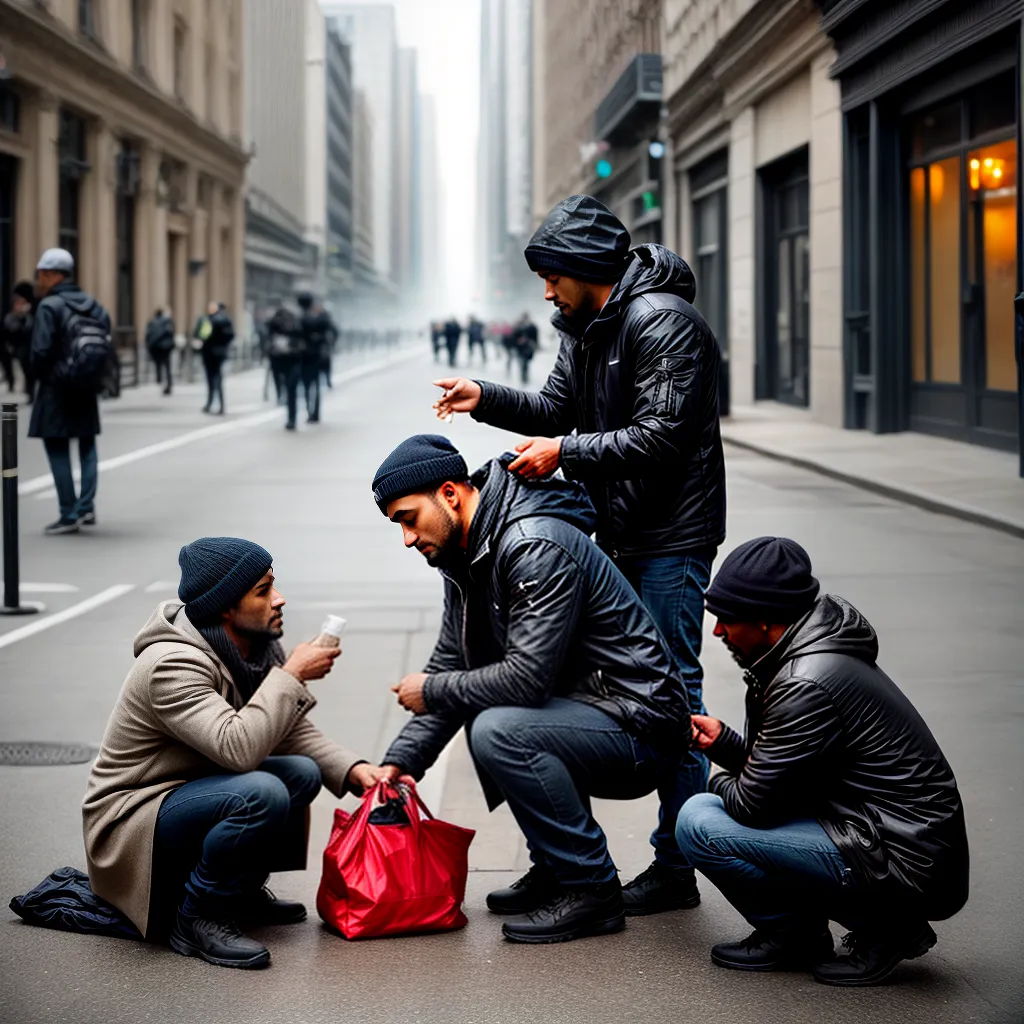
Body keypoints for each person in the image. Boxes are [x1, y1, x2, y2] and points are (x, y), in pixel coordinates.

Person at [431, 194, 726, 915]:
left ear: (585, 266)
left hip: (670, 539)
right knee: (569, 694)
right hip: (619, 534)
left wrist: (564, 451)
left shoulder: (662, 321)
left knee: (671, 700)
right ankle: (561, 862)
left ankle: (676, 863)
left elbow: (663, 437)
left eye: (551, 274)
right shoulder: (587, 327)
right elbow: (553, 410)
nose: (545, 289)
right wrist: (485, 396)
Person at [372, 435, 692, 944]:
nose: (408, 538)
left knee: (498, 727)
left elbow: (525, 677)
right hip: (590, 712)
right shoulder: (463, 556)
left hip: (641, 729)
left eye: (409, 519)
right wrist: (400, 763)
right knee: (487, 712)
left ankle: (591, 889)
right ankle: (556, 867)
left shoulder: (532, 545)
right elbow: (453, 662)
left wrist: (432, 690)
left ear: (451, 494)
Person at [83, 537, 391, 969]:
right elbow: (238, 749)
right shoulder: (171, 664)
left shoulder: (255, 648)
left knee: (301, 773)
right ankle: (198, 919)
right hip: (136, 817)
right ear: (227, 606)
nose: (279, 599)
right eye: (264, 591)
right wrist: (291, 677)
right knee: (260, 791)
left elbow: (287, 734)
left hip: (191, 791)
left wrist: (356, 770)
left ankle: (240, 893)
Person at [676, 536, 969, 986]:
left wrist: (718, 782)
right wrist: (728, 746)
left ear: (765, 620)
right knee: (718, 810)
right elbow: (790, 771)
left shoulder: (805, 680)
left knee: (700, 820)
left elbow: (755, 804)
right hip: (885, 837)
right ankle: (815, 929)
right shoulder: (809, 653)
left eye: (726, 620)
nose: (718, 632)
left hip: (903, 860)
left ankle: (871, 928)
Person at [29, 248, 110, 535]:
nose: (38, 279)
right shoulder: (94, 305)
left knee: (57, 447)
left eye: (40, 274)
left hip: (56, 389)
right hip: (86, 387)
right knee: (87, 447)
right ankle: (86, 508)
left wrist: (41, 377)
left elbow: (39, 352)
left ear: (51, 274)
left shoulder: (50, 306)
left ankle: (68, 512)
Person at [296, 292, 334, 423]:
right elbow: (332, 332)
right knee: (316, 386)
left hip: (305, 357)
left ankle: (310, 411)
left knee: (307, 387)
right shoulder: (322, 319)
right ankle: (315, 413)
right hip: (317, 357)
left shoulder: (300, 319)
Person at [1, 280, 35, 400]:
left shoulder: (28, 318)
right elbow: (10, 330)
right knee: (9, 409)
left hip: (24, 354)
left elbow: (28, 329)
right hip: (12, 355)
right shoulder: (10, 318)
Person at [200, 301, 233, 415]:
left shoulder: (209, 320)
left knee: (210, 379)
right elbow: (231, 336)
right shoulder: (226, 320)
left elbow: (203, 335)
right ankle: (221, 405)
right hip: (220, 353)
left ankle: (209, 403)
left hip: (209, 352)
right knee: (219, 379)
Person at [145, 307, 176, 396]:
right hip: (166, 347)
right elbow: (170, 332)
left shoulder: (152, 322)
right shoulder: (167, 322)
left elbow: (147, 335)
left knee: (159, 365)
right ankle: (168, 384)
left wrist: (149, 345)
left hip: (156, 347)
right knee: (167, 367)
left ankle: (160, 381)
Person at [510, 313, 539, 384]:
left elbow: (535, 337)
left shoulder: (532, 326)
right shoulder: (518, 326)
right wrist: (517, 342)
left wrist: (534, 344)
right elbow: (513, 337)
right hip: (520, 348)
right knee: (522, 362)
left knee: (526, 363)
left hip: (528, 348)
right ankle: (523, 378)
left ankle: (525, 377)